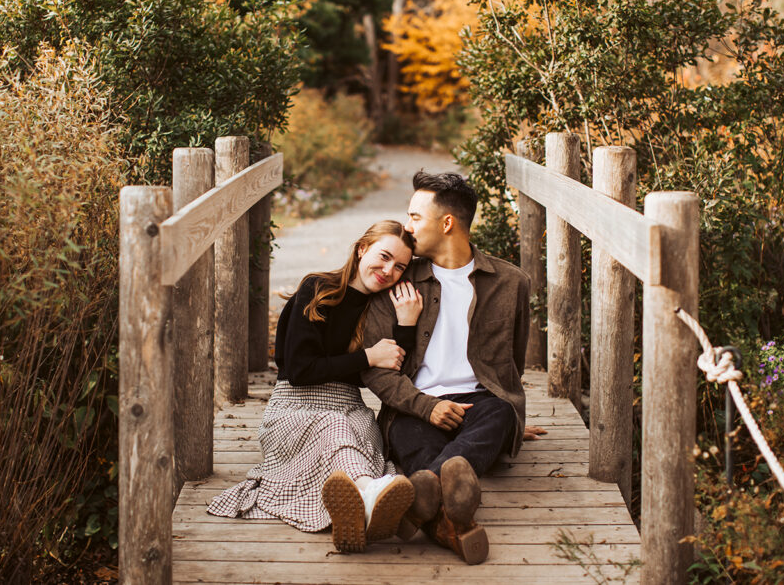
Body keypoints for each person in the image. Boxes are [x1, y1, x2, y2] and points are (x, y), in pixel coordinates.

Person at [207, 220, 424, 553]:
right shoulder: (318, 289)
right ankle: (368, 495)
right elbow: (298, 369)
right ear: (362, 248)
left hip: (351, 409)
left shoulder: (384, 308)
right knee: (333, 426)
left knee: (356, 429)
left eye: (399, 267)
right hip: (295, 407)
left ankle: (356, 508)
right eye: (383, 256)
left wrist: (406, 324)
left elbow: (398, 374)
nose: (388, 270)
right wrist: (367, 357)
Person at [361, 171, 540, 565]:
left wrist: (512, 419)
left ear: (447, 223)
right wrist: (427, 406)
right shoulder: (396, 283)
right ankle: (451, 519)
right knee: (411, 433)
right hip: (415, 407)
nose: (407, 227)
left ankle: (419, 496)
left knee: (500, 413)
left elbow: (513, 362)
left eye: (415, 217)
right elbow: (376, 372)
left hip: (481, 408)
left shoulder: (511, 283)